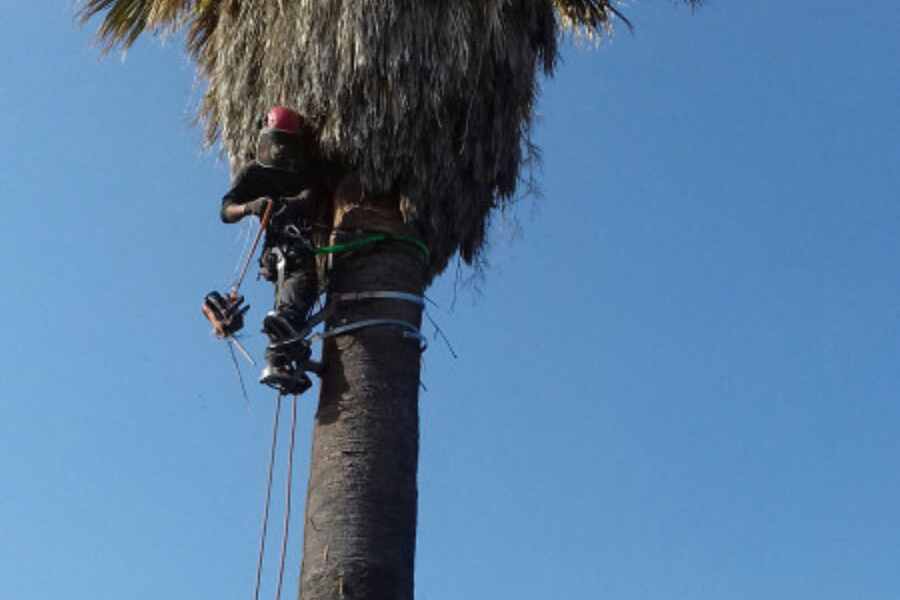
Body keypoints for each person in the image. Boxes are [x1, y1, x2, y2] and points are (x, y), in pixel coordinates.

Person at [219, 106, 323, 395]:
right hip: (280, 248)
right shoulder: (254, 173)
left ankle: (281, 356)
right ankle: (284, 330)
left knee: (297, 285)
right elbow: (225, 210)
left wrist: (292, 204)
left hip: (304, 238)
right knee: (297, 278)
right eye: (275, 143)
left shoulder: (305, 169)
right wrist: (250, 207)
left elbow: (312, 194)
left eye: (287, 145)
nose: (280, 151)